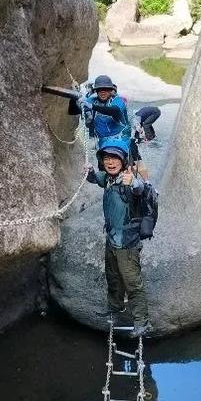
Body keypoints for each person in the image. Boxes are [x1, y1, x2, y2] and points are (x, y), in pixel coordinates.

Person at [86, 137, 150, 338]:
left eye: (115, 158)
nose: (110, 162)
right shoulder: (107, 178)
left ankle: (142, 321)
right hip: (112, 239)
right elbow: (94, 179)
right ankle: (116, 306)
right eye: (107, 158)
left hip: (128, 243)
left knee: (132, 282)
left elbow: (140, 189)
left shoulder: (129, 180)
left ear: (123, 161)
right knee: (112, 277)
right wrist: (89, 172)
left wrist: (134, 182)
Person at [69, 75, 131, 148]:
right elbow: (72, 111)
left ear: (111, 90)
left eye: (106, 89)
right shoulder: (91, 101)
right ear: (96, 91)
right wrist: (73, 97)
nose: (103, 92)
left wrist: (93, 107)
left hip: (120, 139)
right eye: (100, 89)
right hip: (102, 141)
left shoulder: (118, 100)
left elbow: (114, 111)